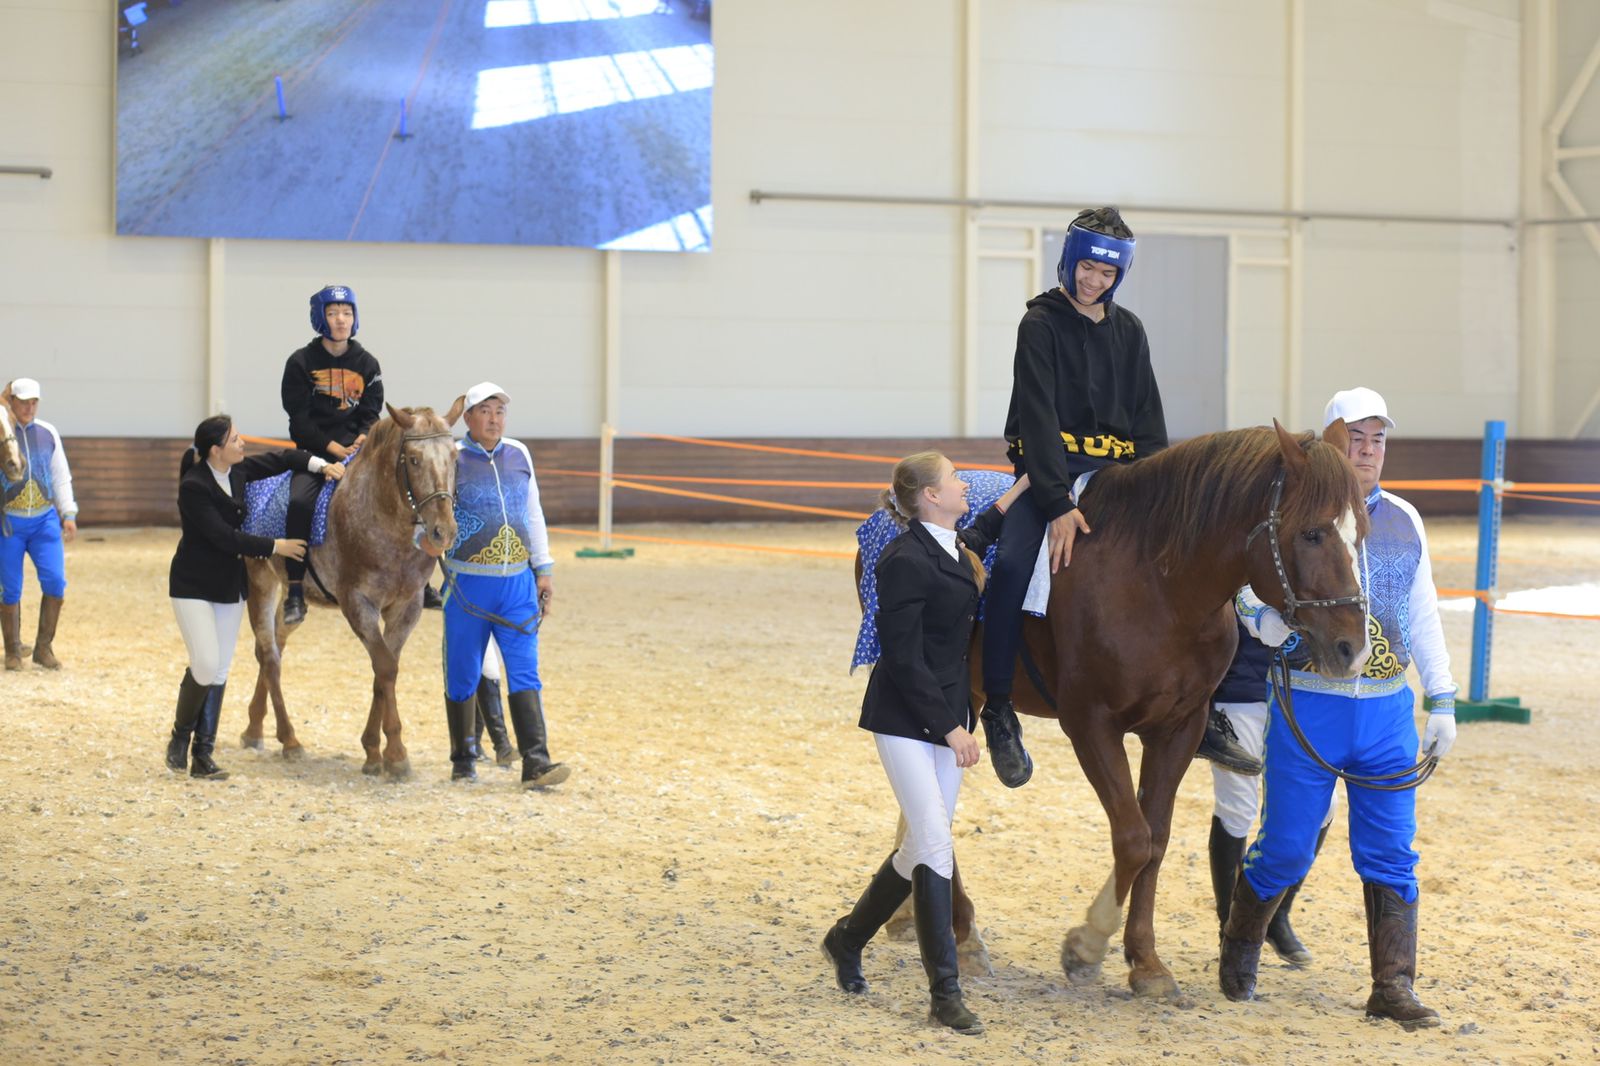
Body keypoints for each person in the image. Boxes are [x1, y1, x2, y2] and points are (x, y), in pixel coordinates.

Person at [981, 206, 1258, 786]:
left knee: (1190, 573)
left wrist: (1163, 494)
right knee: (1009, 565)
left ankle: (1198, 709)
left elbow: (1148, 419)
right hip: (1049, 474)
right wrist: (1057, 504)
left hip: (1121, 480)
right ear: (1070, 260)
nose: (1093, 281)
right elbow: (1036, 417)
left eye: (1106, 275)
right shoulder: (1040, 324)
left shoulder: (1130, 330)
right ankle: (1000, 707)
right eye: (1086, 268)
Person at [1219, 387, 1457, 1031]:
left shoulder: (1405, 518)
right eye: (1357, 437)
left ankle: (1392, 985)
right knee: (1287, 848)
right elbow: (1247, 585)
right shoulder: (1298, 512)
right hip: (1310, 703)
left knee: (1391, 851)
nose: (1369, 449)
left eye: (1378, 438)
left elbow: (1423, 610)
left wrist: (1441, 698)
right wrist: (1262, 618)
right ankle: (1240, 947)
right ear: (1329, 442)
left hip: (1385, 709)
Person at [822, 453, 1029, 1036]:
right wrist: (954, 727)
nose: (965, 484)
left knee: (919, 845)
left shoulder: (952, 543)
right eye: (955, 479)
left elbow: (985, 525)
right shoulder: (901, 561)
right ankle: (945, 992)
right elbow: (904, 659)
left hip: (946, 716)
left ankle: (846, 938)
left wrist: (1029, 482)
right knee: (935, 842)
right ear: (931, 497)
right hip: (905, 719)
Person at [166, 415, 343, 779]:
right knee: (204, 663)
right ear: (216, 450)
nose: (242, 443)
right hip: (193, 585)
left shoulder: (239, 472)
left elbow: (284, 459)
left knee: (219, 669)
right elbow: (224, 538)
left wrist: (322, 465)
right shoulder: (194, 487)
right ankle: (179, 737)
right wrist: (277, 545)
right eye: (234, 439)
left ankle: (204, 754)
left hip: (230, 587)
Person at [440, 381, 566, 789]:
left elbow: (534, 514)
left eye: (500, 412)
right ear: (468, 418)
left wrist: (543, 569)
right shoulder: (451, 457)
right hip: (467, 585)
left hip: (517, 584)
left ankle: (536, 762)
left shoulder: (519, 453)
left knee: (525, 670)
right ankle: (463, 758)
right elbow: (429, 512)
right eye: (486, 411)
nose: (494, 419)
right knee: (462, 672)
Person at [1207, 614, 1334, 967]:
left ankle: (1277, 914)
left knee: (1324, 807)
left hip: (1299, 691)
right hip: (1239, 690)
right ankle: (1229, 927)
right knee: (1238, 807)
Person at [280, 284, 384, 625]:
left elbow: (371, 411)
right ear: (319, 317)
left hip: (359, 450)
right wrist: (333, 450)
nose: (341, 320)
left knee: (399, 495)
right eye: (333, 312)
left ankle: (419, 581)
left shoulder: (367, 363)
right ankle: (295, 588)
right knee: (298, 503)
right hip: (315, 452)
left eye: (347, 312)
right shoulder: (300, 362)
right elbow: (299, 420)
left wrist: (362, 439)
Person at [0, 378, 78, 671]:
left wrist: (68, 513)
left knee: (56, 581)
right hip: (9, 521)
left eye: (34, 402)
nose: (29, 408)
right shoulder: (1, 432)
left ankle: (43, 648)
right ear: (12, 403)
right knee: (9, 589)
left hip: (44, 520)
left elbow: (60, 475)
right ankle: (12, 650)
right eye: (23, 402)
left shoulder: (48, 433)